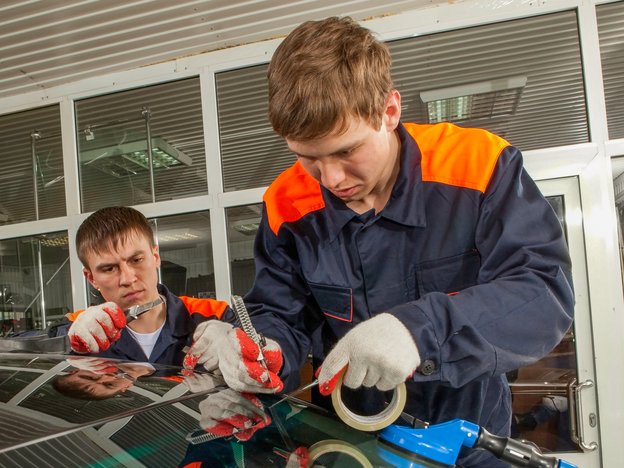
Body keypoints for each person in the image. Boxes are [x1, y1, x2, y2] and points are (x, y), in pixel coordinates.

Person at [185, 16, 575, 467]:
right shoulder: (287, 204)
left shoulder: (478, 167)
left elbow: (542, 293)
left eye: (346, 150)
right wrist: (265, 351)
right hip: (348, 445)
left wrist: (419, 329)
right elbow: (280, 313)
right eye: (307, 157)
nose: (330, 178)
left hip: (471, 444)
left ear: (389, 111)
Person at [58, 205, 229, 366]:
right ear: (91, 278)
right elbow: (33, 347)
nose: (127, 278)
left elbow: (254, 351)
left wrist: (239, 347)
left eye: (136, 260)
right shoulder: (77, 330)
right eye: (109, 268)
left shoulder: (215, 315)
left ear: (155, 257)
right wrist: (66, 343)